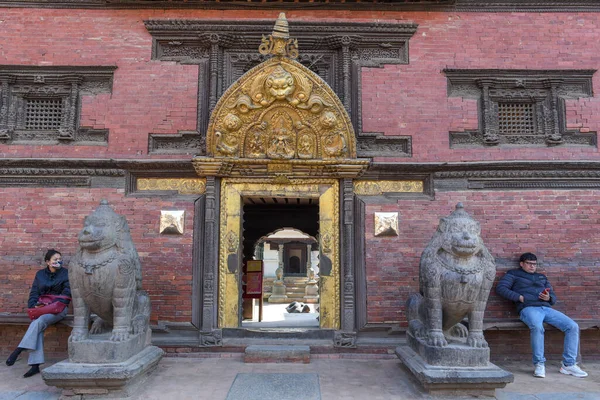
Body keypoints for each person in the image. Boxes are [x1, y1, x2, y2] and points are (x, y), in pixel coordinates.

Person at [496, 252, 587, 379]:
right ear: (522, 264)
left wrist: (549, 297)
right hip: (528, 308)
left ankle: (568, 364)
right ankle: (539, 364)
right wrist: (519, 297)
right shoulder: (513, 274)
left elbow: (553, 297)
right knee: (538, 327)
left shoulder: (541, 277)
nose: (532, 266)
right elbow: (501, 288)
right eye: (529, 263)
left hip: (546, 308)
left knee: (572, 326)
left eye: (534, 264)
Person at [5, 249, 71, 378]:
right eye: (55, 259)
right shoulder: (40, 274)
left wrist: (52, 304)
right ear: (47, 262)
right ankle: (34, 366)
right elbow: (34, 292)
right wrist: (33, 306)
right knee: (37, 325)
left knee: (38, 322)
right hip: (42, 309)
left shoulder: (65, 274)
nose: (58, 261)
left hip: (59, 308)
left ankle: (19, 350)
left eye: (59, 259)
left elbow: (67, 293)